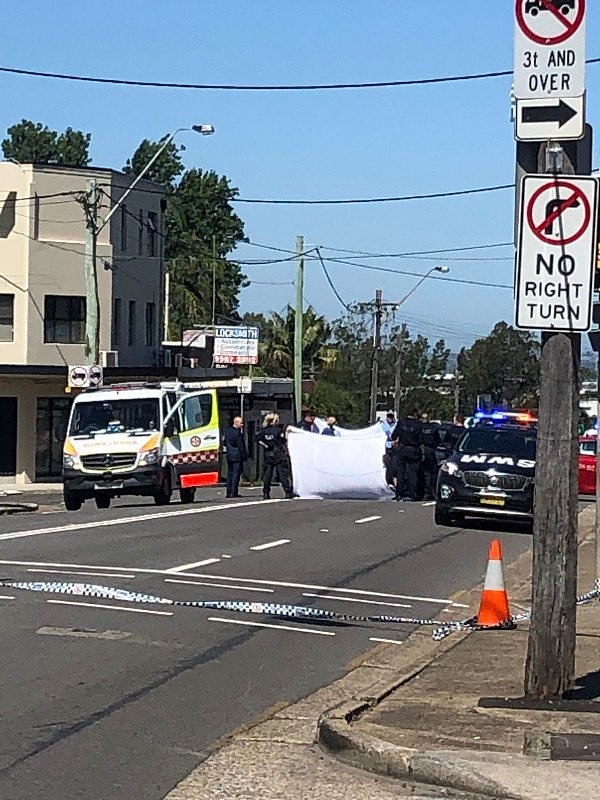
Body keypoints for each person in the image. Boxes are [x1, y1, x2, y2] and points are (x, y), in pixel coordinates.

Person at [255, 412, 294, 499]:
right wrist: (287, 434)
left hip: (268, 454)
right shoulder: (278, 430)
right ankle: (288, 492)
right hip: (278, 454)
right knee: (282, 474)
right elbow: (283, 440)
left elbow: (257, 439)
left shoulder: (263, 431)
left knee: (267, 475)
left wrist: (266, 445)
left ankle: (266, 493)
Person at [391, 409, 424, 502]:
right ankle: (413, 495)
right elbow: (421, 440)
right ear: (414, 414)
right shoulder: (418, 424)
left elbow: (393, 436)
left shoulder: (401, 423)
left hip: (402, 449)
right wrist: (422, 453)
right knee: (413, 474)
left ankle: (399, 494)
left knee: (400, 473)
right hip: (414, 450)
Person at [224, 416, 248, 498]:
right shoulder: (238, 433)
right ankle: (233, 492)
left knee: (229, 474)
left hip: (229, 455)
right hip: (237, 456)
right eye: (241, 423)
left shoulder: (228, 432)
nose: (242, 425)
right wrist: (245, 456)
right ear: (236, 422)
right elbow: (241, 446)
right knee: (236, 475)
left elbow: (225, 443)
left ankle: (228, 491)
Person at [420, 412, 441, 501]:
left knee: (425, 473)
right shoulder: (433, 428)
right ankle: (431, 492)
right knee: (432, 473)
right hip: (430, 450)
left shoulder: (419, 428)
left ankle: (426, 493)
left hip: (422, 450)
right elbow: (438, 440)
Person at [380, 411, 396, 488]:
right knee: (386, 465)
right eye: (388, 416)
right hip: (385, 447)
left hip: (393, 447)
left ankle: (392, 481)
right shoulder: (382, 425)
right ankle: (387, 481)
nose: (390, 418)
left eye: (391, 416)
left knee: (393, 465)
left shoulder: (396, 425)